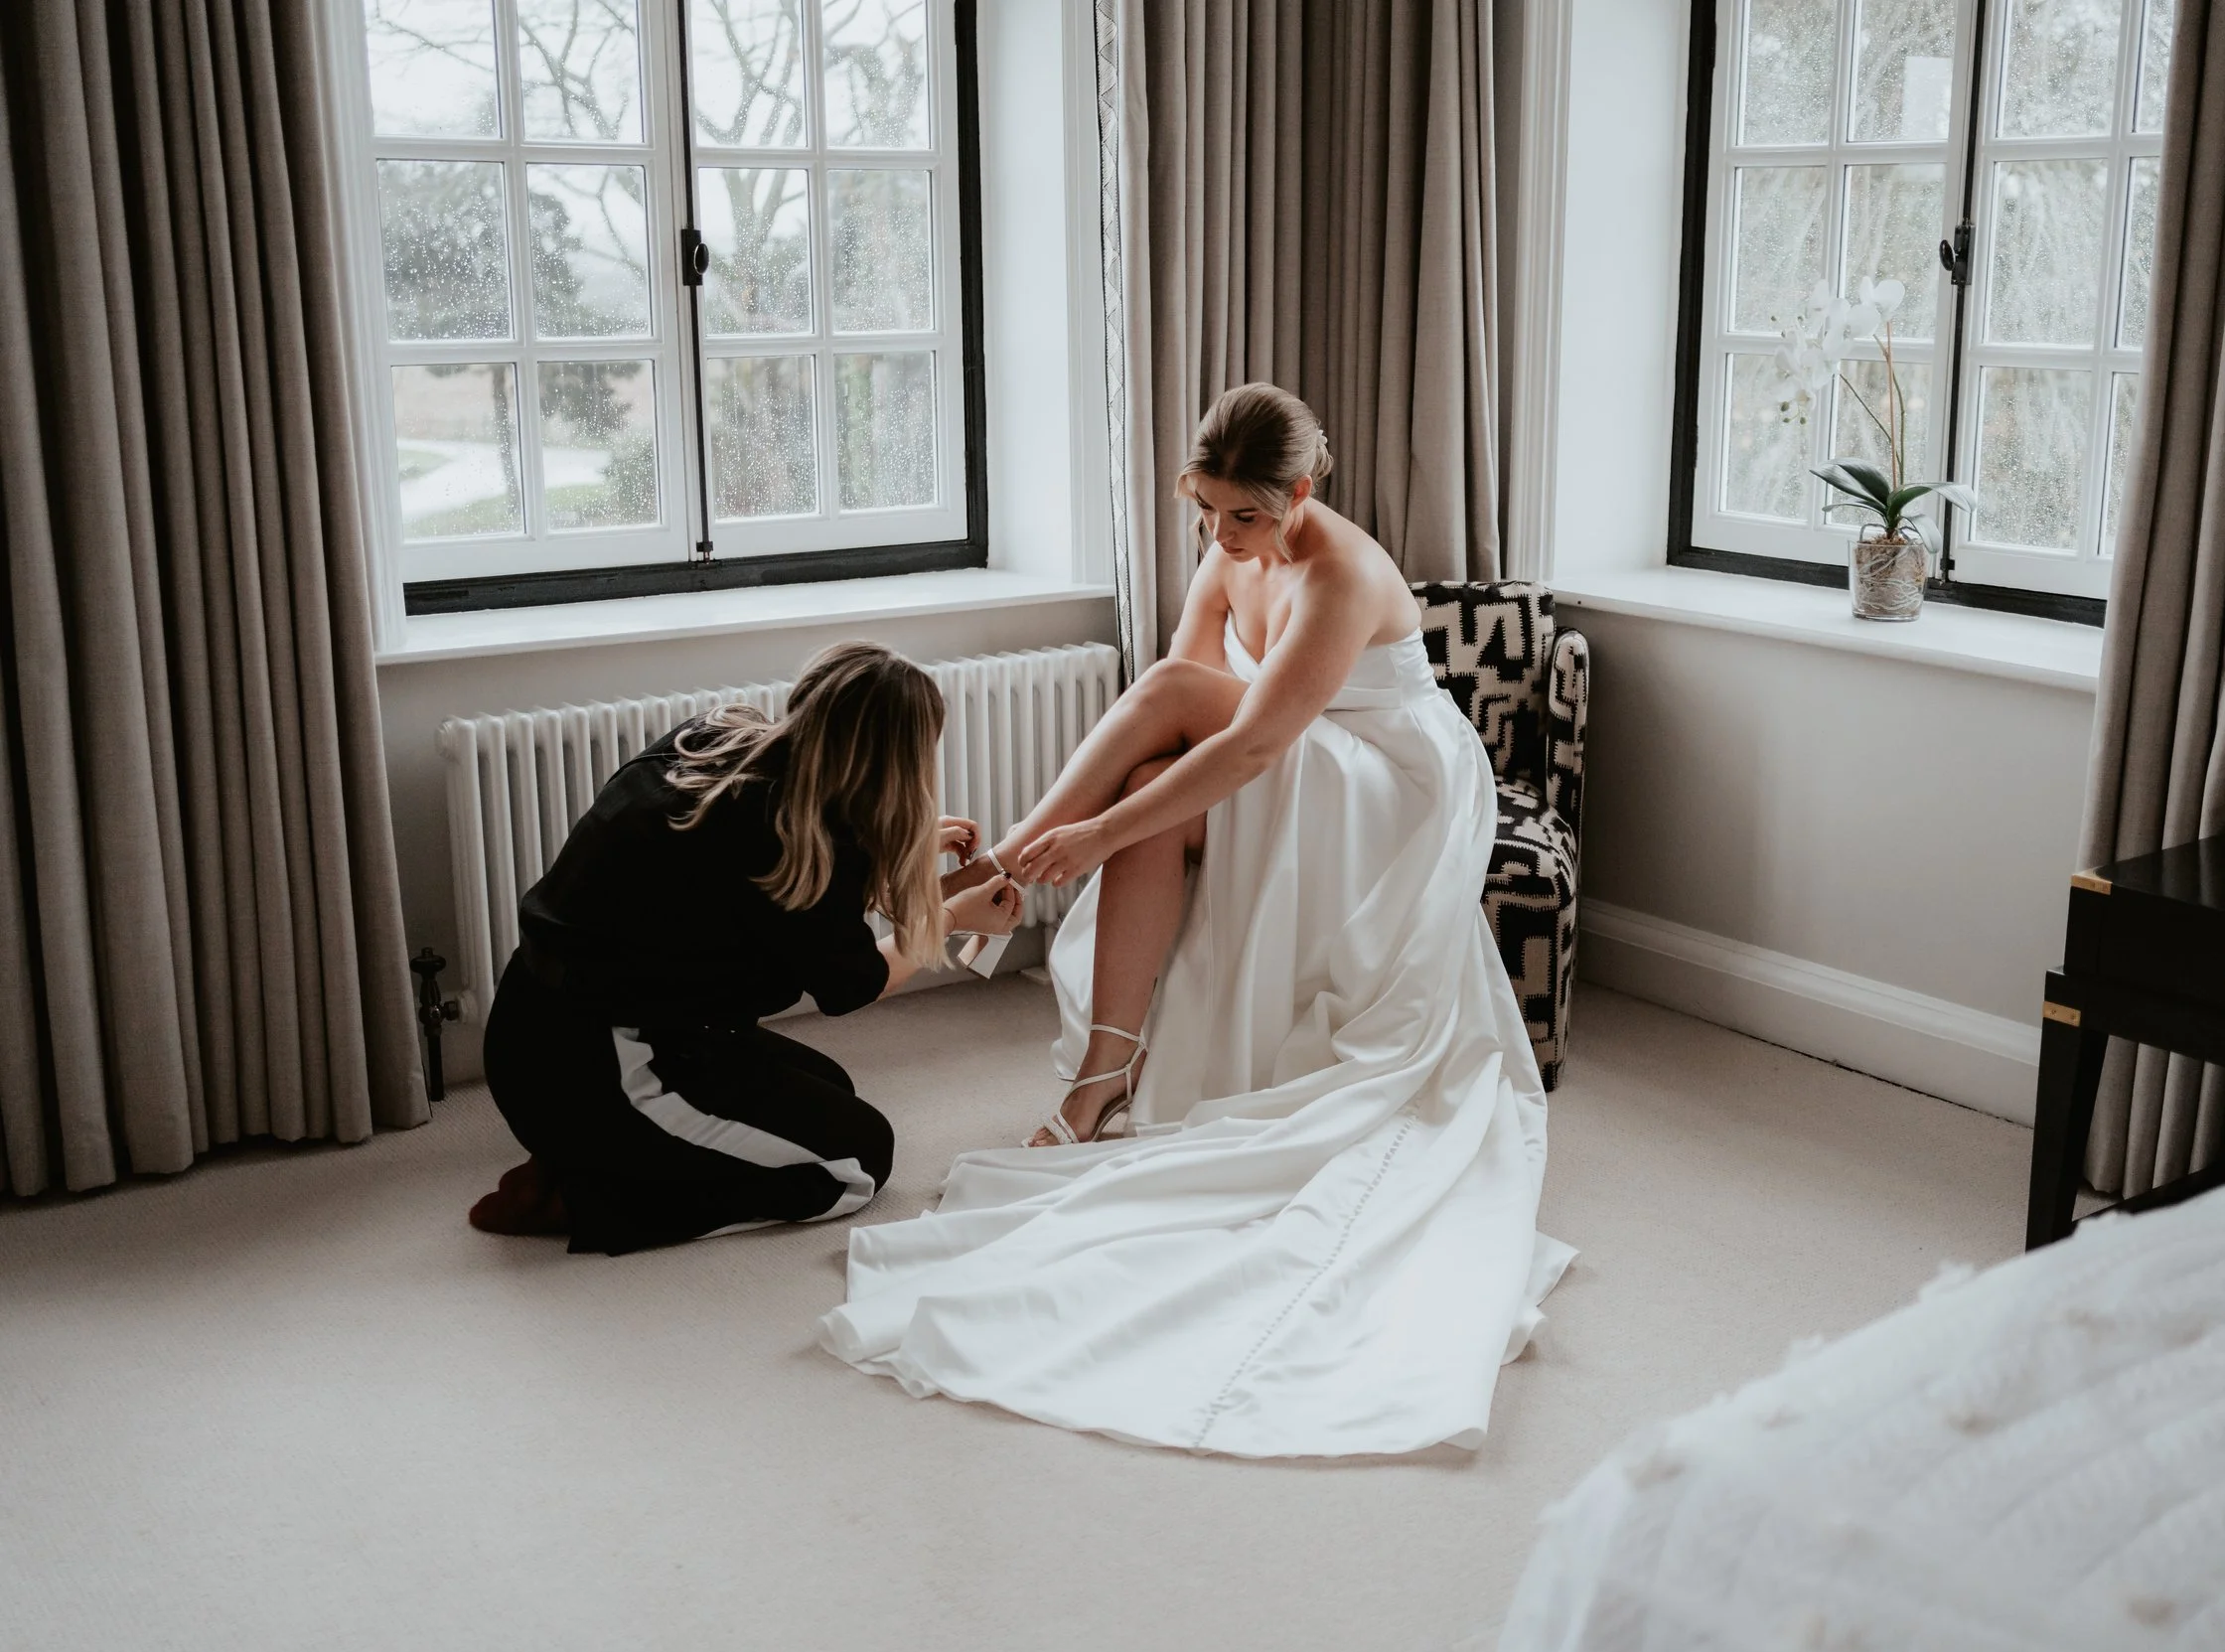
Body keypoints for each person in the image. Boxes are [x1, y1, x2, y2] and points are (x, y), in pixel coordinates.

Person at [819, 384, 1571, 1457]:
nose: (1220, 537)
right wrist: (1109, 825)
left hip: (1387, 795)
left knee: (1156, 751)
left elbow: (1250, 740)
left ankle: (1001, 871)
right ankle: (1100, 1082)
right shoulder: (1233, 541)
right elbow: (1179, 704)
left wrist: (1068, 841)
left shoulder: (1339, 571)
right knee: (1151, 794)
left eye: (1241, 517)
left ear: (1300, 494)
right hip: (1291, 762)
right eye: (1206, 512)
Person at [470, 641, 1022, 1256]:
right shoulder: (797, 844)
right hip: (597, 1060)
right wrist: (948, 916)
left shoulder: (715, 737)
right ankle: (588, 1194)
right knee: (854, 1163)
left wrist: (912, 856)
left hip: (537, 1022)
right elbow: (856, 982)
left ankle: (598, 1155)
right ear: (901, 762)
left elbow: (769, 900)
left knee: (832, 1087)